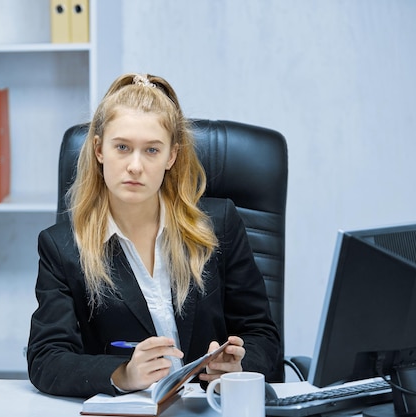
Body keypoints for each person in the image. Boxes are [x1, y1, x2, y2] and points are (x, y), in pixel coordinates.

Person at [27, 73, 281, 398]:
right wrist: (123, 374)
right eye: (122, 147)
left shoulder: (218, 226)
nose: (135, 165)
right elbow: (46, 360)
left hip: (211, 407)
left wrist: (239, 367)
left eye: (151, 150)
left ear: (171, 157)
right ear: (99, 149)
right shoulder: (62, 248)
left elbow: (262, 334)